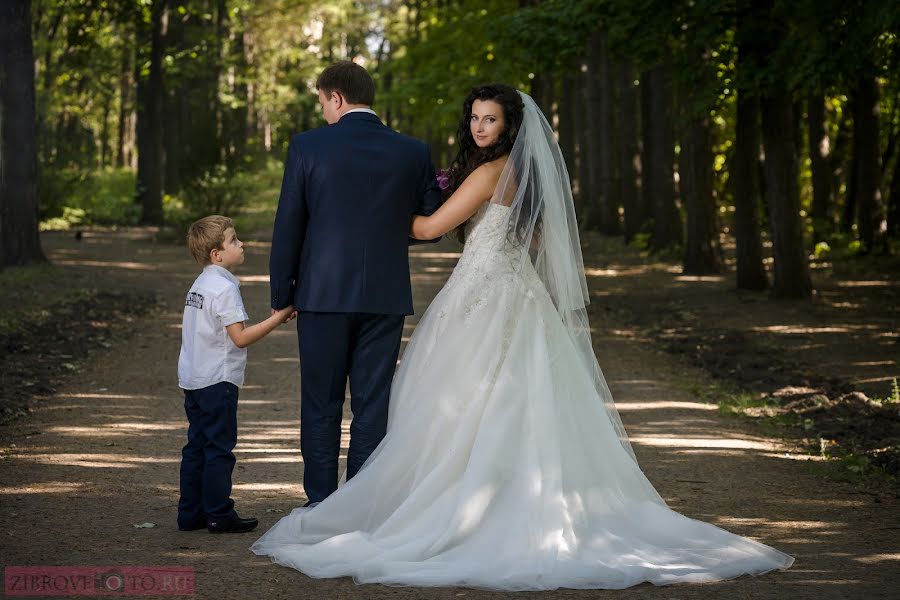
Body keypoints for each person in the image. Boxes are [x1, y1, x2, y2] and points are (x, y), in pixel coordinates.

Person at [251, 85, 794, 589]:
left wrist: (372, 202)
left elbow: (426, 228)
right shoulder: (528, 174)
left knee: (458, 401)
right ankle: (501, 499)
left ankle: (448, 508)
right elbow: (530, 239)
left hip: (481, 294)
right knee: (512, 402)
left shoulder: (490, 173)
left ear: (510, 127)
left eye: (490, 120)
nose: (479, 127)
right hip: (516, 290)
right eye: (475, 118)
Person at [267, 61, 443, 508]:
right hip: (384, 294)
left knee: (321, 404)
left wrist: (282, 296)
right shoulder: (413, 151)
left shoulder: (308, 146)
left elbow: (289, 223)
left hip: (321, 294)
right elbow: (433, 225)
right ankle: (360, 506)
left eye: (323, 101)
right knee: (372, 405)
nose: (323, 110)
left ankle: (321, 504)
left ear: (336, 98)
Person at [178, 215, 293, 534]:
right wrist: (279, 317)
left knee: (196, 446)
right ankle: (218, 513)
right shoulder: (224, 288)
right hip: (217, 380)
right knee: (218, 448)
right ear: (217, 254)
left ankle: (190, 512)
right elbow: (239, 337)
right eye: (233, 240)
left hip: (193, 379)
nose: (241, 244)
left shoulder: (199, 285)